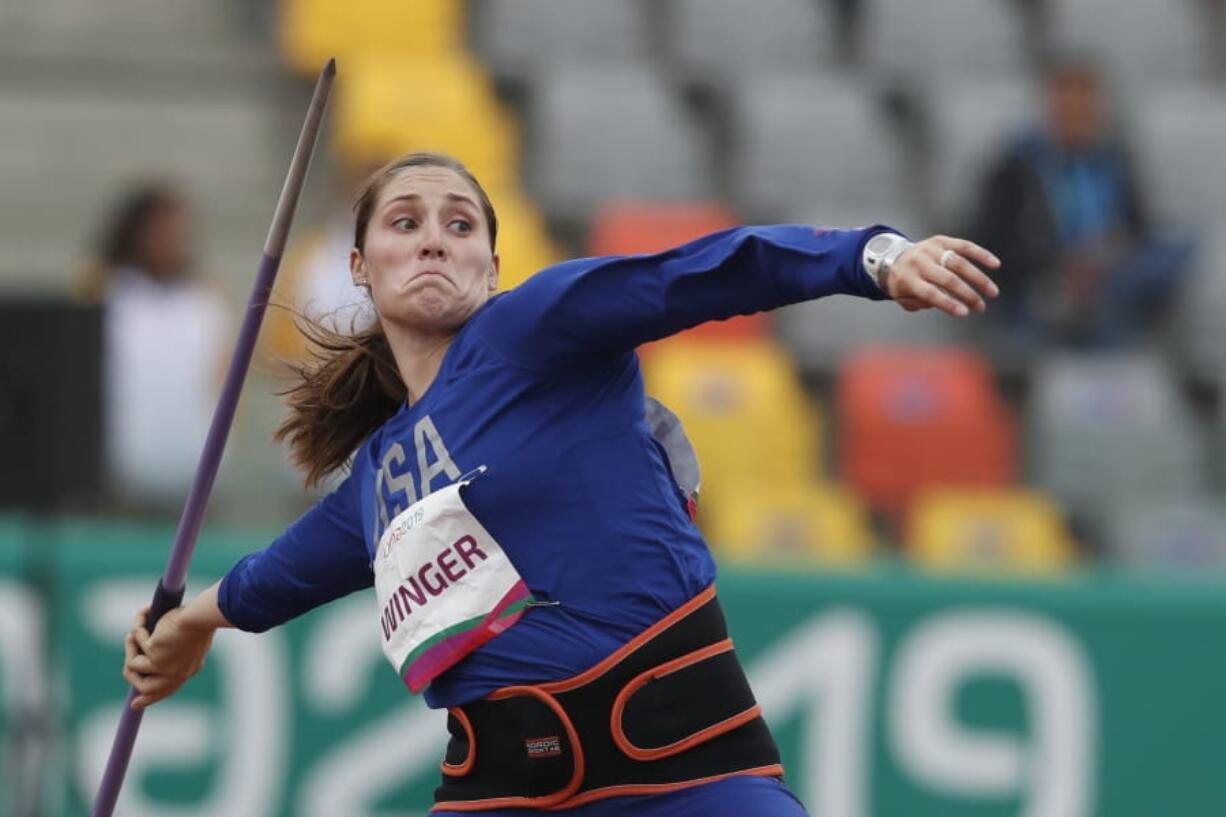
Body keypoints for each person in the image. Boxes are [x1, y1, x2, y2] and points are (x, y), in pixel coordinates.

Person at [121, 152, 999, 815]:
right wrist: (196, 620)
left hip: (687, 772)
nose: (434, 236)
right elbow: (290, 568)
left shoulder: (533, 327)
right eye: (405, 221)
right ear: (359, 266)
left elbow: (704, 271)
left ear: (493, 268)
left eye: (461, 224)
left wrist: (871, 259)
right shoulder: (383, 470)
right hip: (504, 791)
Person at [970, 53, 1193, 349]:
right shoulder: (1016, 166)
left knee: (1176, 249)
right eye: (1068, 102)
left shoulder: (1114, 159)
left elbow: (1139, 227)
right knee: (1089, 303)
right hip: (1044, 283)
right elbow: (990, 241)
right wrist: (1057, 268)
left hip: (1111, 271)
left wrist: (1110, 255)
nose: (1078, 112)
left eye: (1085, 103)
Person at [81, 182, 229, 515]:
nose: (171, 242)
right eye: (160, 231)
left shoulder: (205, 303)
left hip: (192, 482)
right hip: (116, 480)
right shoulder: (101, 294)